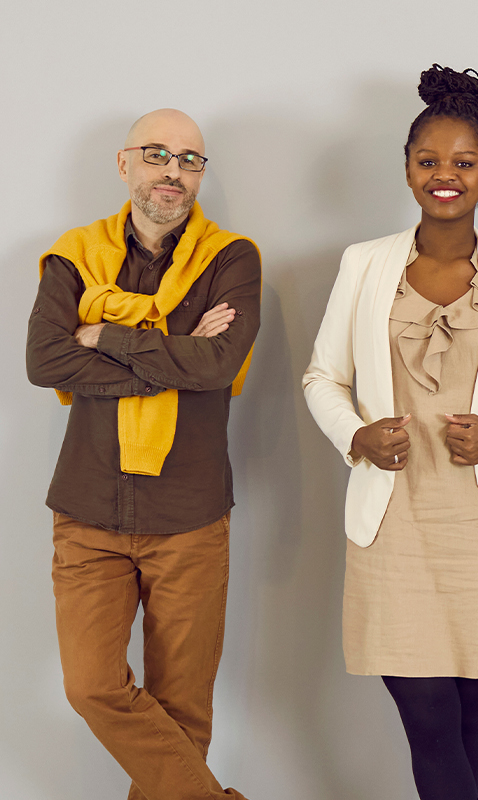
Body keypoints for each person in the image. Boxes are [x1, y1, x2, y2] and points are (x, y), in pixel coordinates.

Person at [302, 66, 478, 800]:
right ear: (408, 169)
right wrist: (355, 436)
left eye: (462, 163)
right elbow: (322, 377)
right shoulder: (365, 265)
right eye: (429, 162)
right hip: (393, 522)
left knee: (469, 709)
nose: (444, 176)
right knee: (427, 715)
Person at [27, 109, 260, 800]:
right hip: (88, 511)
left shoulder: (231, 257)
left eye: (190, 159)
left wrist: (106, 336)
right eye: (158, 154)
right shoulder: (76, 254)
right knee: (93, 686)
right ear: (125, 164)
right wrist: (173, 354)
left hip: (189, 516)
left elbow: (218, 363)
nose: (174, 172)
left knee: (183, 711)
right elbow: (45, 359)